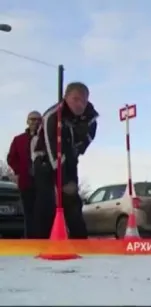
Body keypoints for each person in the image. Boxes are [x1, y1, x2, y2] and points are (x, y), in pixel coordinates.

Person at [33, 82, 99, 239]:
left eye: (83, 100)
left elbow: (85, 142)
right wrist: (62, 180)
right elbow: (51, 147)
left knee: (73, 202)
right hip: (45, 160)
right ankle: (41, 241)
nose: (80, 104)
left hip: (69, 159)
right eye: (75, 99)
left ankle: (80, 240)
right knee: (46, 202)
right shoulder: (53, 115)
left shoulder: (90, 119)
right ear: (66, 97)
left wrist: (76, 151)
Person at [6, 111, 42, 238]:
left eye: (38, 119)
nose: (35, 122)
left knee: (42, 212)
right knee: (28, 213)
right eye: (32, 119)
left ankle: (43, 239)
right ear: (27, 121)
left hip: (43, 182)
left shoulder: (46, 138)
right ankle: (31, 239)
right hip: (26, 182)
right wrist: (19, 171)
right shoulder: (19, 139)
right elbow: (11, 158)